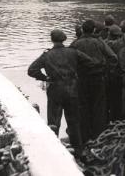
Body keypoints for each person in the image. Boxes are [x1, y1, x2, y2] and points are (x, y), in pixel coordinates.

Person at [28, 29, 95, 157]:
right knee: (74, 122)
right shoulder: (73, 52)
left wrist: (45, 78)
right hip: (72, 89)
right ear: (64, 39)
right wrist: (76, 73)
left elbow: (31, 70)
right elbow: (90, 63)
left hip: (55, 90)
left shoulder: (47, 55)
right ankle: (79, 152)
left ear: (52, 40)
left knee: (54, 122)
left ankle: (53, 153)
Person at [71, 19, 117, 142]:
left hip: (81, 79)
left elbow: (70, 60)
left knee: (83, 107)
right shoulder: (99, 42)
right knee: (99, 107)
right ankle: (98, 136)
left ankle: (85, 136)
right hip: (98, 78)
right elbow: (113, 57)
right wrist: (106, 71)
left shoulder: (76, 43)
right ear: (94, 30)